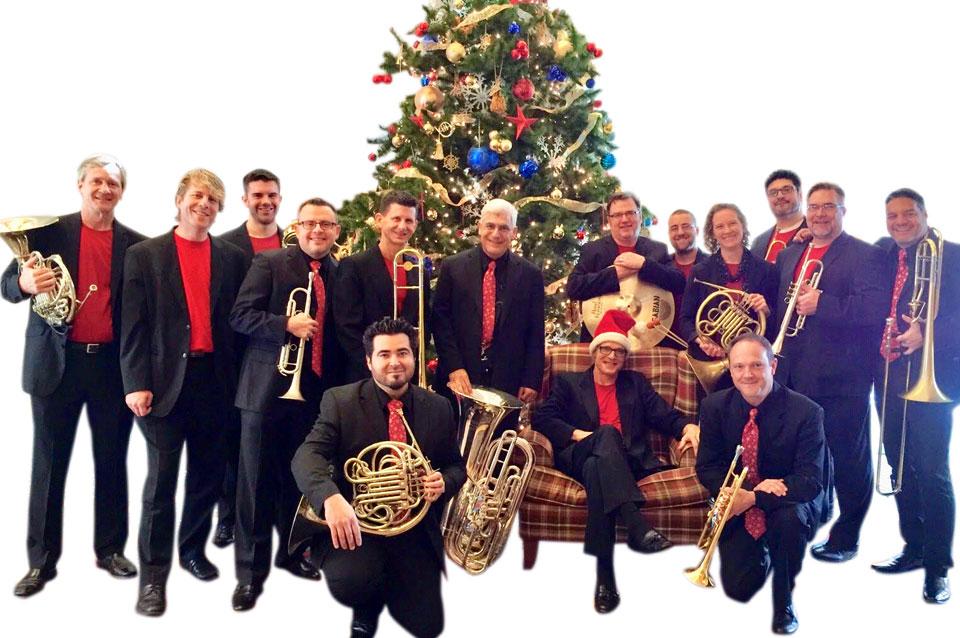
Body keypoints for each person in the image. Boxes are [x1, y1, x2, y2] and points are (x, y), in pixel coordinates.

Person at [2, 155, 145, 597]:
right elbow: (6, 287)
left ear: (122, 192)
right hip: (56, 366)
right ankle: (41, 562)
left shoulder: (136, 246)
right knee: (49, 463)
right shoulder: (47, 233)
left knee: (112, 460)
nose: (104, 189)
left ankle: (110, 550)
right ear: (80, 185)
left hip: (110, 368)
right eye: (96, 181)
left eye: (113, 184)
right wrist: (24, 285)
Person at [120, 168, 247, 616]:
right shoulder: (144, 255)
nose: (205, 205)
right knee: (161, 484)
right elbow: (133, 326)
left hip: (216, 382)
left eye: (213, 199)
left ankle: (192, 549)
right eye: (198, 196)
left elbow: (238, 324)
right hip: (162, 385)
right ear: (179, 200)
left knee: (207, 476)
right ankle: (153, 580)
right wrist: (135, 383)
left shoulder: (232, 257)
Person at [292, 317, 466, 637]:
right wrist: (331, 498)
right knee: (353, 583)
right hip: (358, 524)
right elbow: (306, 456)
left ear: (413, 357)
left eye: (403, 352)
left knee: (428, 625)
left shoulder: (438, 407)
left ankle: (393, 583)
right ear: (369, 361)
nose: (394, 362)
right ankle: (367, 603)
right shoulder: (340, 401)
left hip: (413, 527)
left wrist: (444, 481)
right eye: (384, 354)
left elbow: (456, 466)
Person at [532, 308, 700, 614]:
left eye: (619, 352)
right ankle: (636, 525)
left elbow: (664, 415)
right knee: (605, 436)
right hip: (579, 454)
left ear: (625, 356)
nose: (612, 356)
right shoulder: (570, 382)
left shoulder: (635, 383)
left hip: (621, 463)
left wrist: (687, 426)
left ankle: (605, 580)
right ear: (595, 351)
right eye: (606, 349)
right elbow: (542, 417)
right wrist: (579, 434)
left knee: (597, 469)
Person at [228, 197, 344, 610]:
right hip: (265, 393)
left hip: (312, 395)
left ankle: (292, 555)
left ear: (336, 231)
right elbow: (240, 316)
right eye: (310, 223)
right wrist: (285, 324)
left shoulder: (339, 272)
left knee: (300, 481)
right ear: (297, 226)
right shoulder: (271, 263)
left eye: (326, 224)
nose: (318, 231)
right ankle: (249, 575)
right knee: (255, 484)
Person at [773, 182, 885, 563]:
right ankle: (810, 518)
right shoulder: (791, 255)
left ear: (843, 211)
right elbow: (783, 307)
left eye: (828, 207)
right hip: (794, 374)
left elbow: (873, 311)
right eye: (814, 207)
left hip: (842, 379)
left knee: (848, 457)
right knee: (806, 455)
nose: (820, 214)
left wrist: (824, 304)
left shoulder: (865, 255)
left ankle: (847, 535)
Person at [697, 333, 831, 634]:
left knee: (789, 522)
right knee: (739, 589)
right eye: (739, 366)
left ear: (772, 366)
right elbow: (707, 466)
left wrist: (755, 497)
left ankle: (784, 600)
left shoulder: (807, 412)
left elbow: (810, 481)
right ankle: (763, 552)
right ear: (730, 369)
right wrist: (738, 495)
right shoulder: (714, 407)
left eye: (756, 365)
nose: (747, 374)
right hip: (739, 500)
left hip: (786, 501)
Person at [871, 188, 957, 604]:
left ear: (924, 214)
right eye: (892, 216)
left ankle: (938, 567)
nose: (900, 222)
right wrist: (803, 234)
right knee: (899, 464)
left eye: (908, 214)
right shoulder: (883, 252)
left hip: (931, 378)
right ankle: (914, 546)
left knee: (932, 471)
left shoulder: (952, 255)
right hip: (889, 376)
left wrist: (928, 330)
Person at [215, 168, 284, 548]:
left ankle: (269, 515)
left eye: (271, 195)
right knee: (233, 442)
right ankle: (228, 517)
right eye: (258, 195)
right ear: (245, 200)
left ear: (280, 199)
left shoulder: (294, 241)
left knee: (270, 443)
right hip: (235, 355)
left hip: (278, 358)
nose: (265, 201)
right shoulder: (226, 246)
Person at [431, 198, 545, 408]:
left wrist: (531, 379)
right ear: (479, 227)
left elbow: (536, 331)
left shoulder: (531, 275)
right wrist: (454, 367)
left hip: (507, 381)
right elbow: (440, 322)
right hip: (459, 377)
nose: (496, 234)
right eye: (490, 226)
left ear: (514, 232)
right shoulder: (452, 267)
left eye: (504, 228)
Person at [679, 204, 778, 389]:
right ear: (712, 233)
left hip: (752, 363)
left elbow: (776, 322)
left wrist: (766, 310)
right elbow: (685, 319)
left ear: (742, 225)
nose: (727, 230)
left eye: (732, 223)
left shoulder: (767, 270)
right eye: (720, 226)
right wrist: (702, 340)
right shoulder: (700, 271)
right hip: (711, 358)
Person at [334, 190, 428, 382]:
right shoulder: (354, 266)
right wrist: (375, 367)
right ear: (379, 220)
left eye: (409, 221)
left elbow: (424, 323)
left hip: (404, 374)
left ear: (415, 225)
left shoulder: (418, 269)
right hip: (364, 374)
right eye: (396, 219)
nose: (402, 226)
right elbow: (346, 327)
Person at [567, 192, 685, 342]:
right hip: (602, 341)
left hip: (647, 340)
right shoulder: (593, 250)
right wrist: (615, 274)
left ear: (639, 216)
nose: (624, 219)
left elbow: (679, 282)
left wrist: (643, 264)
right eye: (617, 215)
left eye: (630, 213)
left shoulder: (657, 249)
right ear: (609, 220)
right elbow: (573, 287)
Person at [659, 209, 707, 340]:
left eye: (686, 226)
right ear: (669, 234)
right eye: (674, 228)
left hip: (704, 343)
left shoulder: (712, 265)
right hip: (665, 342)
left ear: (697, 230)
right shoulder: (660, 266)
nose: (680, 232)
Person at [751, 169, 810, 264]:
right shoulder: (758, 243)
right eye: (773, 192)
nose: (780, 196)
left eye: (786, 190)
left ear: (800, 195)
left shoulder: (817, 234)